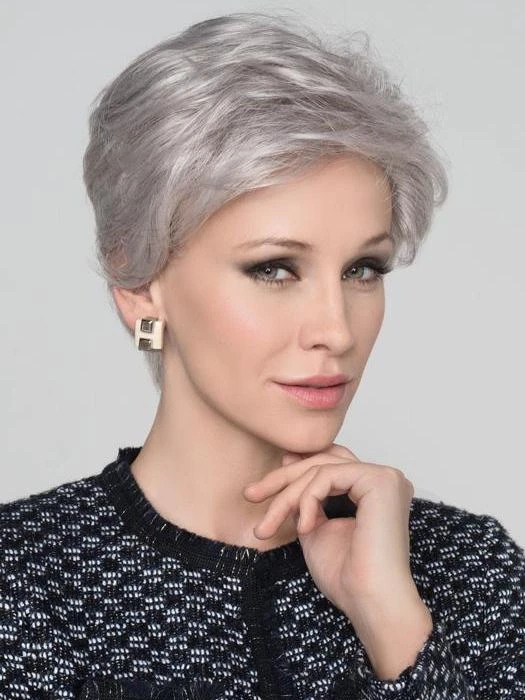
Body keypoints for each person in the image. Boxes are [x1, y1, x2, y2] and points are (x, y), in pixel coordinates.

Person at [0, 11, 523, 700]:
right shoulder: (24, 580)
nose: (336, 330)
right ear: (139, 285)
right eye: (274, 269)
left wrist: (392, 623)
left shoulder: (470, 567)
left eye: (363, 269)